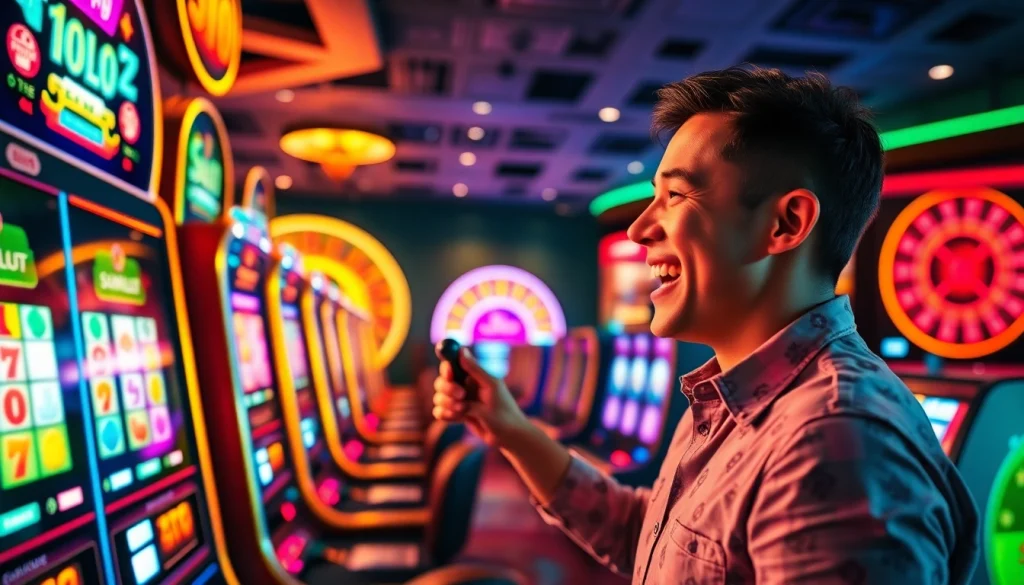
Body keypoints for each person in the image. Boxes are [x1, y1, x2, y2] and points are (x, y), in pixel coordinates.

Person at [432, 66, 979, 584]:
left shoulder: (833, 439)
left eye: (675, 196)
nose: (640, 228)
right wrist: (511, 429)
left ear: (786, 223)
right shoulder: (740, 394)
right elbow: (650, 539)